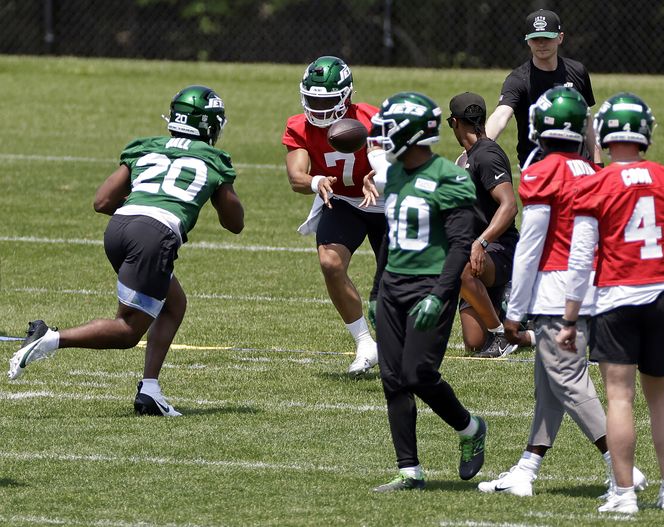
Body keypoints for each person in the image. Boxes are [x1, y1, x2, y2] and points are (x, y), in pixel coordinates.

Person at [8, 85, 245, 417]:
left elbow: (102, 201)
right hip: (155, 234)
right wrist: (220, 187)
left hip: (119, 228)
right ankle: (49, 338)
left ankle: (150, 391)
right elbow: (235, 223)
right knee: (127, 331)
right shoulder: (213, 159)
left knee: (173, 302)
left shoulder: (146, 146)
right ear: (210, 125)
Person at [478, 87, 646, 498]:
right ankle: (527, 469)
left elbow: (531, 247)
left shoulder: (541, 174)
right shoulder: (595, 173)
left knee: (569, 381)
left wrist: (512, 313)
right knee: (549, 384)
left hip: (557, 293)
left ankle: (623, 468)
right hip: (597, 288)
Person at [556, 93, 664, 514]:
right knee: (660, 396)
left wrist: (569, 317)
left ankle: (625, 495)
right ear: (645, 131)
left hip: (616, 300)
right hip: (663, 297)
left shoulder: (594, 184)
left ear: (605, 133)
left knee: (620, 397)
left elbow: (580, 258)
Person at [362, 92, 487, 491]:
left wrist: (439, 294)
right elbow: (391, 238)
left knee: (418, 372)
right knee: (393, 378)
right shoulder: (395, 173)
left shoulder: (449, 179)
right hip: (395, 282)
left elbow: (459, 245)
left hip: (432, 284)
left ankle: (470, 428)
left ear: (412, 133)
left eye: (391, 129)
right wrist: (377, 288)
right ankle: (409, 470)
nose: (383, 138)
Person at [282, 56, 386, 375]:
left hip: (385, 200)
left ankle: (401, 345)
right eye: (312, 99)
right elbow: (296, 177)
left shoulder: (371, 118)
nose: (318, 108)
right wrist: (316, 180)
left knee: (395, 282)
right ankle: (365, 343)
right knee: (330, 263)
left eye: (325, 100)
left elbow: (387, 161)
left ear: (346, 96)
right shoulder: (299, 126)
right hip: (340, 199)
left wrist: (377, 176)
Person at [446, 92, 532, 358]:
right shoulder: (467, 157)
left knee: (459, 268)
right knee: (473, 343)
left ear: (454, 122)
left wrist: (480, 242)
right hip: (479, 253)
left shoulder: (487, 155)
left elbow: (509, 205)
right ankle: (517, 323)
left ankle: (501, 334)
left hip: (499, 249)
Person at [485, 9, 600, 168]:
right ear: (528, 41)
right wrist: (480, 147)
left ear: (560, 38)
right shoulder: (518, 79)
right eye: (535, 38)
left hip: (578, 165)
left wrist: (598, 163)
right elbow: (501, 115)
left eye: (547, 37)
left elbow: (586, 121)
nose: (541, 43)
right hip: (537, 166)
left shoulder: (578, 72)